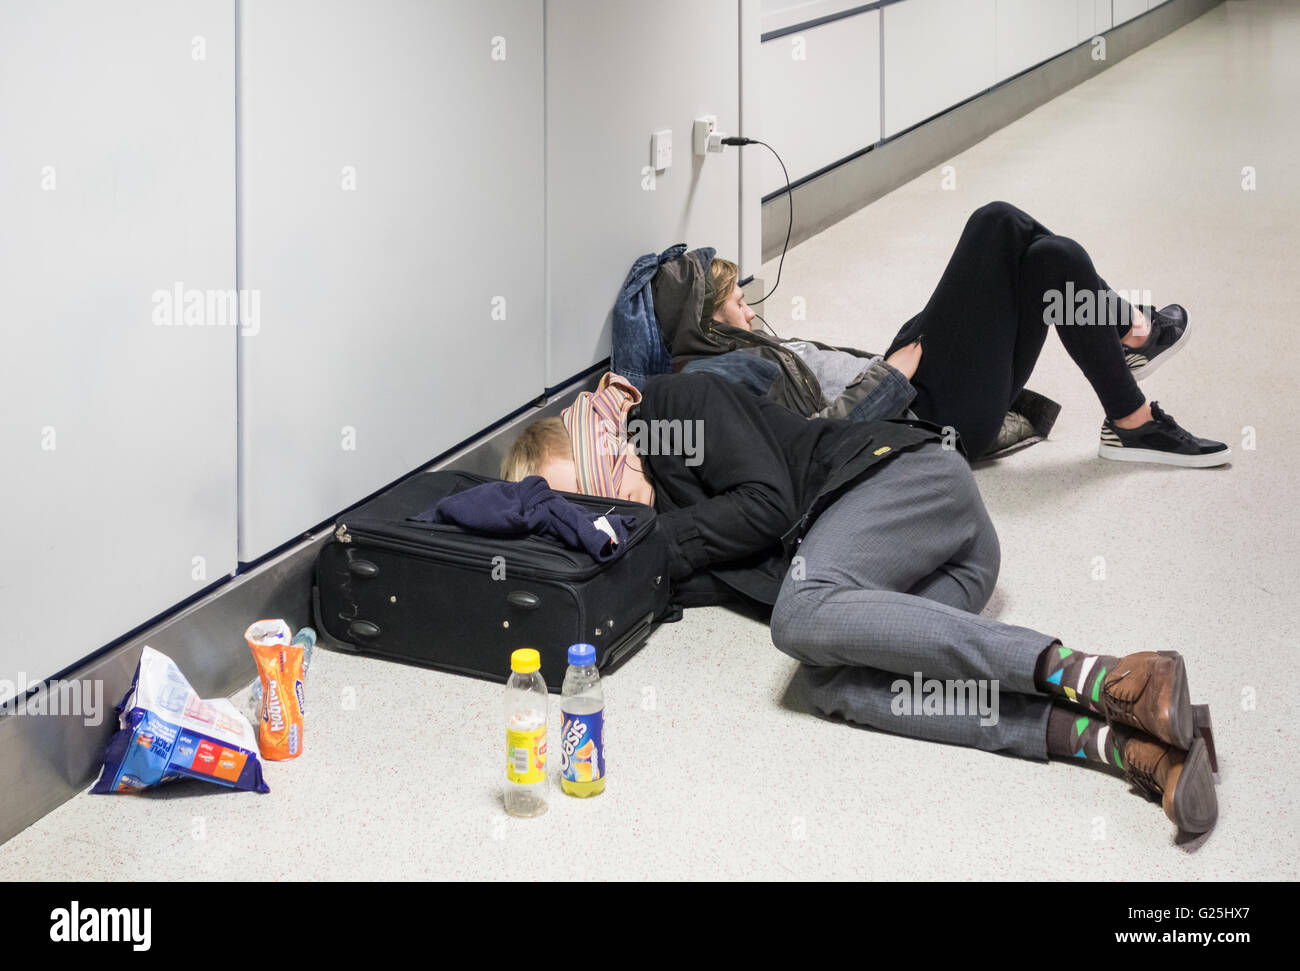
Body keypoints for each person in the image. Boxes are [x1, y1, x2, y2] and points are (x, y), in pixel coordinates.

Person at [501, 369, 1220, 834]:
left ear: (594, 437)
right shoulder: (645, 523)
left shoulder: (677, 406)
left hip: (911, 481)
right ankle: (1124, 739)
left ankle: (1103, 673)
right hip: (944, 568)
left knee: (799, 615)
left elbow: (767, 504)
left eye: (588, 481)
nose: (601, 506)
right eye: (580, 508)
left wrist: (646, 545)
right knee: (831, 683)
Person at [617, 201, 1230, 466]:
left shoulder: (741, 350)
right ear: (703, 320)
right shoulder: (718, 374)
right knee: (996, 222)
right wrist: (890, 377)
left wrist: (890, 365)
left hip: (915, 384)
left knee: (1053, 258)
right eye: (737, 303)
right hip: (925, 418)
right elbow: (805, 447)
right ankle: (1133, 333)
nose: (751, 313)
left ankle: (1130, 417)